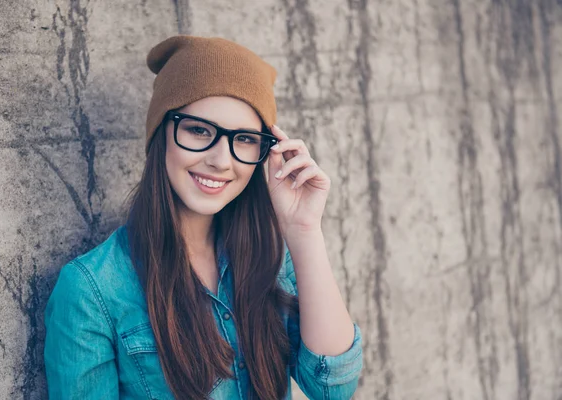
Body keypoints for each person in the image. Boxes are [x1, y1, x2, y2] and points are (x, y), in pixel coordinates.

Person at [44, 35, 363, 400]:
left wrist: (305, 231)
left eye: (243, 139)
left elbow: (332, 387)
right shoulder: (92, 290)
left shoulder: (271, 259)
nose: (221, 160)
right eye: (198, 130)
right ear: (161, 133)